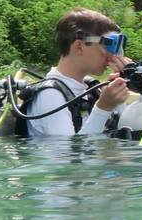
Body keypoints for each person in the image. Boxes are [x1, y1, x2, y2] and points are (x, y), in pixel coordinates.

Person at [26, 8, 131, 136]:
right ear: (79, 47)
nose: (113, 55)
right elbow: (69, 152)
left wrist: (118, 99)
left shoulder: (90, 90)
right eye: (109, 45)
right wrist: (104, 107)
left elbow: (127, 134)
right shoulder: (50, 96)